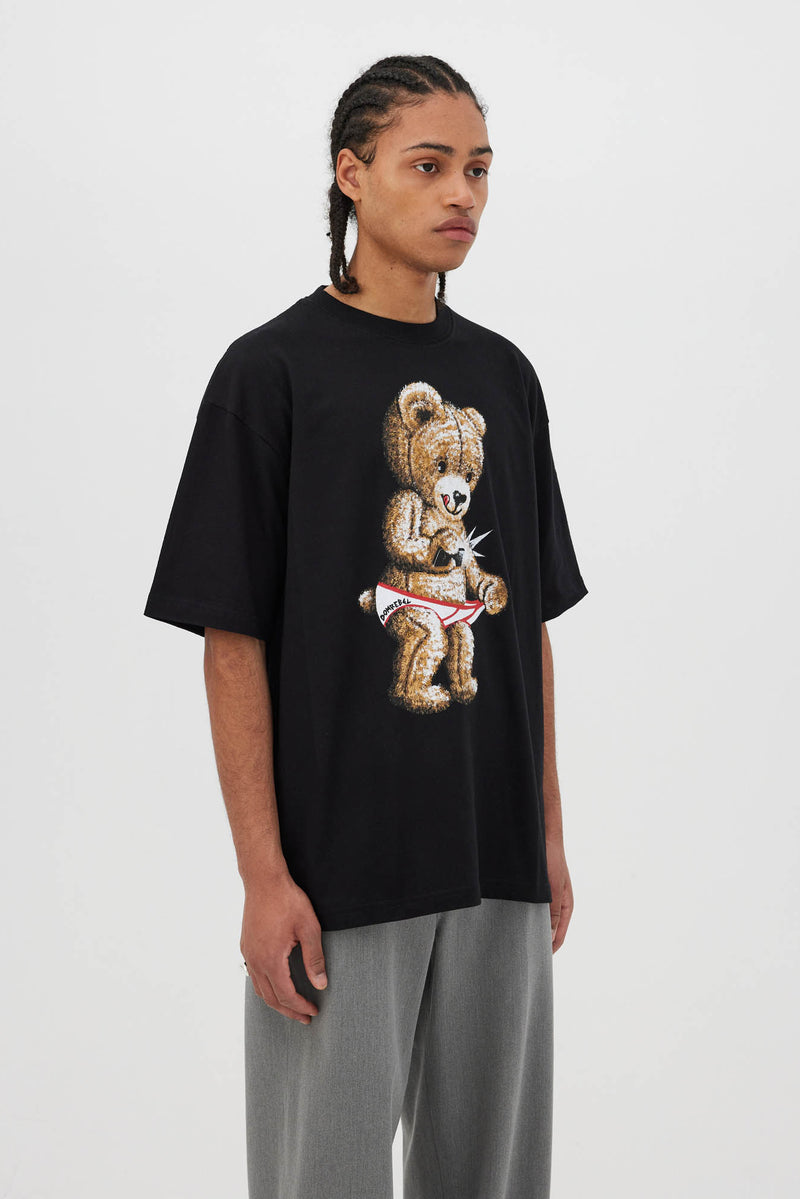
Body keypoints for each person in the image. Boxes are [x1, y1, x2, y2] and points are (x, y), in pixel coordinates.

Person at [143, 53, 589, 1199]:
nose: (461, 195)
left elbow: (526, 623)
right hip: (338, 865)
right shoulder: (270, 373)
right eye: (427, 165)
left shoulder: (504, 377)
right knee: (322, 1176)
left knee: (495, 1178)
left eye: (477, 169)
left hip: (492, 854)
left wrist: (545, 831)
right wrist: (262, 875)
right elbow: (230, 637)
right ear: (350, 174)